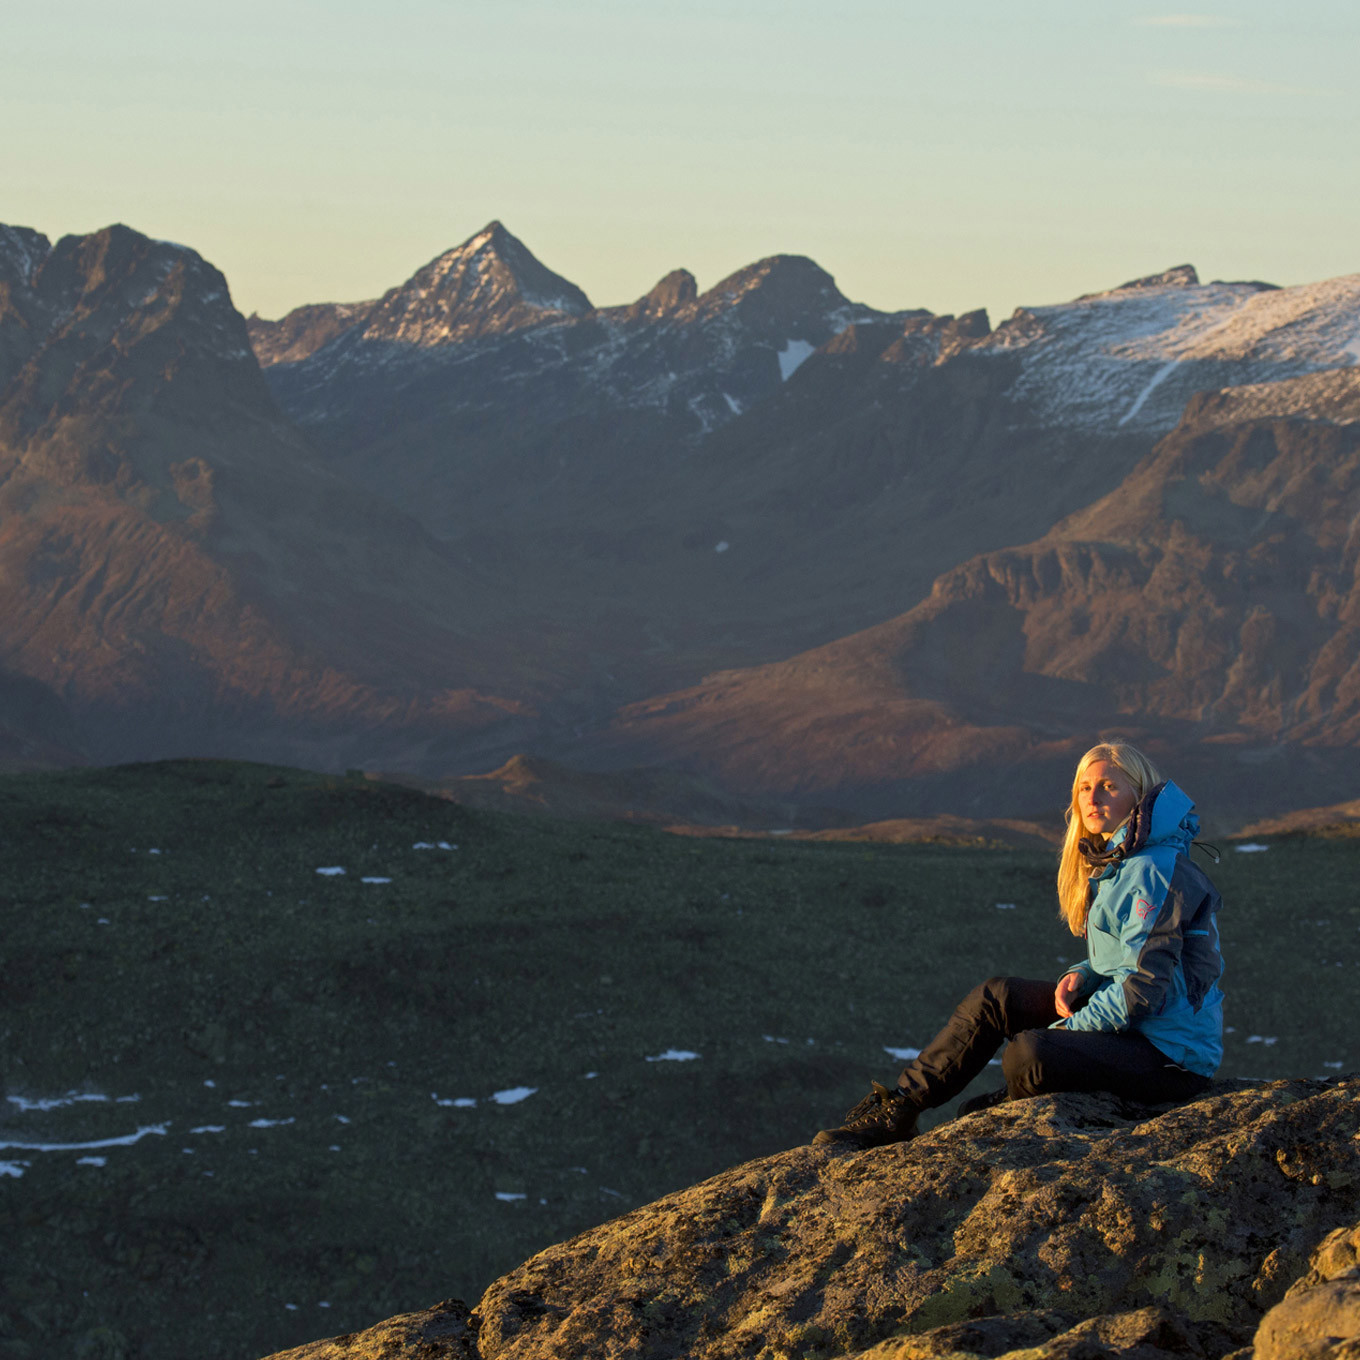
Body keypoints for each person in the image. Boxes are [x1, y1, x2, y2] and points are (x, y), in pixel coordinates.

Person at [813, 742, 1224, 1150]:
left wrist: (1067, 1031)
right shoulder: (1123, 860)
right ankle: (898, 1111)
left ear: (1140, 794)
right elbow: (1128, 953)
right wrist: (1081, 976)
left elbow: (1140, 992)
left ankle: (1011, 1103)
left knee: (1030, 1053)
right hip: (1137, 1028)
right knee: (997, 997)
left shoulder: (1153, 869)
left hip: (1168, 1055)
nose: (1093, 798)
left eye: (1108, 787)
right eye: (1084, 788)